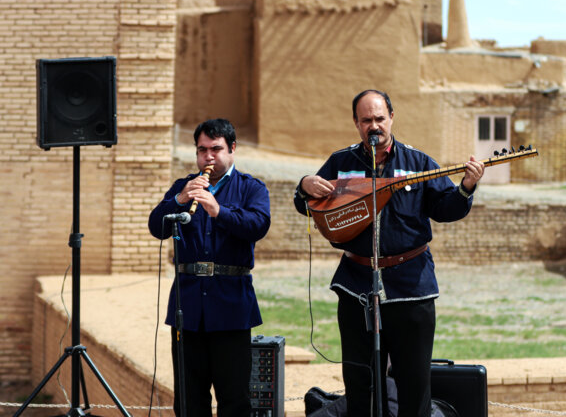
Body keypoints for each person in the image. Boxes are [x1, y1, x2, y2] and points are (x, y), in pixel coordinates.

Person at [293, 90, 484, 417]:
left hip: (412, 288)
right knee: (359, 387)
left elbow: (445, 209)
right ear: (356, 123)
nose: (374, 126)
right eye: (366, 120)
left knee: (414, 388)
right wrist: (304, 185)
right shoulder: (341, 163)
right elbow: (307, 204)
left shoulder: (418, 162)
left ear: (392, 118)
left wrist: (465, 187)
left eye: (380, 118)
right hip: (357, 287)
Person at [149, 118, 271, 417]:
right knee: (190, 400)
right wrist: (179, 199)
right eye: (202, 150)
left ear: (232, 149)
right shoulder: (183, 187)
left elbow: (258, 224)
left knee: (234, 399)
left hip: (231, 305)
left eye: (216, 149)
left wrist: (219, 211)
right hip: (188, 306)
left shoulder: (251, 187)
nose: (209, 157)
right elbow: (156, 227)